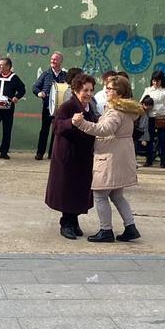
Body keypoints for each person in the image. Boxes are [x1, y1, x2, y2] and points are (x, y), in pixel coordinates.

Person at [69, 74, 145, 242]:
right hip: (122, 155)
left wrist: (81, 123)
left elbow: (104, 130)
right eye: (107, 88)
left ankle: (106, 230)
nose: (107, 91)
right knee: (117, 195)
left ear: (120, 92)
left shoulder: (115, 112)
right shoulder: (126, 109)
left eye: (111, 88)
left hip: (111, 157)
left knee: (100, 194)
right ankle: (130, 227)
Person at [45, 73, 98, 239]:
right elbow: (57, 127)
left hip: (83, 156)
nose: (88, 93)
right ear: (76, 90)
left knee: (79, 189)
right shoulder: (67, 106)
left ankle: (74, 220)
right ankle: (66, 222)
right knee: (67, 189)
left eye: (91, 90)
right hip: (68, 156)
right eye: (85, 90)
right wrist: (71, 123)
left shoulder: (91, 108)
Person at [32, 51, 68, 160]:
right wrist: (39, 93)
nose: (52, 61)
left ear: (60, 61)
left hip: (61, 109)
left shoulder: (65, 75)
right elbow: (35, 87)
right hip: (48, 107)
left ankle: (52, 153)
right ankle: (40, 153)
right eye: (52, 59)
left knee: (56, 131)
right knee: (44, 130)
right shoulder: (45, 74)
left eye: (55, 59)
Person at [140, 70, 165, 169]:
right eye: (154, 81)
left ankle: (163, 161)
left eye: (158, 81)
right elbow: (141, 102)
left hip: (162, 118)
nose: (155, 83)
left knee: (162, 140)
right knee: (149, 140)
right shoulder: (148, 90)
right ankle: (149, 160)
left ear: (162, 81)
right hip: (150, 118)